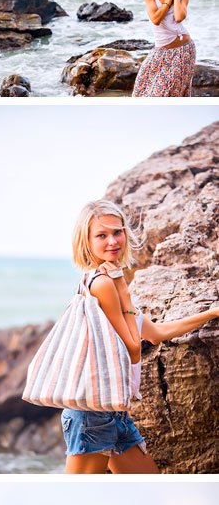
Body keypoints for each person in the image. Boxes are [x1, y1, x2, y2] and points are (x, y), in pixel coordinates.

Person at [24, 198, 219, 474]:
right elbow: (133, 348)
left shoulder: (111, 279)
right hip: (92, 416)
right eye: (101, 235)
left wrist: (211, 313)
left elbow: (156, 333)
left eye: (117, 232)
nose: (113, 241)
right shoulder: (104, 284)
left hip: (114, 414)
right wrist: (124, 293)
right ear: (86, 241)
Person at [133, 0, 196, 98]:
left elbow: (179, 17)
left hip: (184, 51)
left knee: (169, 94)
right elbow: (155, 19)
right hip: (160, 51)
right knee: (141, 90)